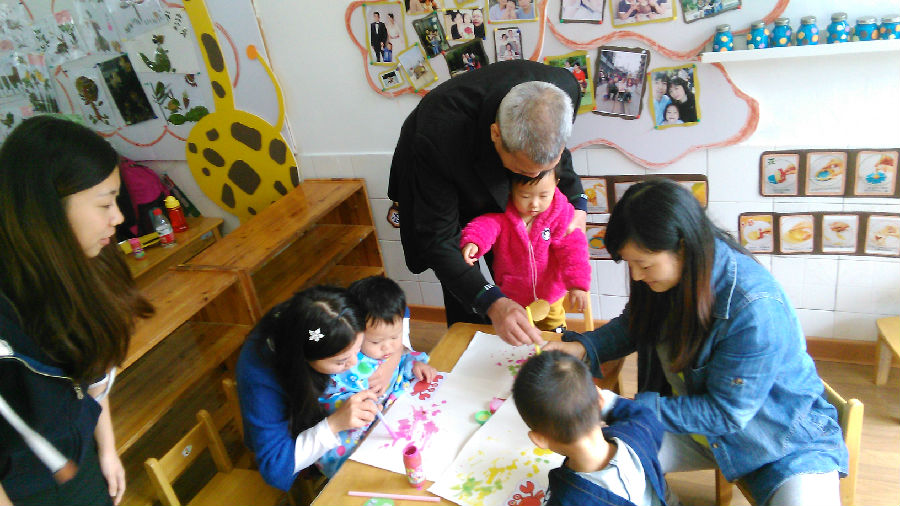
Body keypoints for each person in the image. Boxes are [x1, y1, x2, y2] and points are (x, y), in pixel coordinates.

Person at [545, 179, 848, 506]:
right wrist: (583, 347)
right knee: (598, 464)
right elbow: (635, 325)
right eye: (630, 264)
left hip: (781, 442)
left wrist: (619, 406)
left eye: (643, 265)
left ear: (683, 247)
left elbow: (725, 413)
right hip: (697, 427)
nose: (636, 276)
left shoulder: (753, 307)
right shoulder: (670, 276)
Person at [0, 116, 154, 505]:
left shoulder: (90, 266)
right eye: (104, 203)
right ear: (46, 210)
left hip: (78, 458)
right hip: (21, 486)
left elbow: (94, 372)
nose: (118, 217)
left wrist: (108, 448)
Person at [388, 60, 586, 347]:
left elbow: (555, 155)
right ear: (496, 134)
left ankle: (514, 333)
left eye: (542, 172)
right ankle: (471, 345)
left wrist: (578, 204)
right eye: (523, 171)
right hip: (444, 158)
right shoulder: (438, 133)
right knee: (467, 275)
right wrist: (491, 301)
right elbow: (440, 239)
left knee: (513, 253)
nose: (534, 179)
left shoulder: (564, 88)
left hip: (497, 147)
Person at [235, 286, 380, 491]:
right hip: (290, 437)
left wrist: (390, 363)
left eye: (359, 348)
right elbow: (275, 468)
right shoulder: (260, 381)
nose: (355, 363)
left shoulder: (333, 313)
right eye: (341, 361)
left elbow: (396, 309)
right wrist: (334, 424)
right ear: (304, 359)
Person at [316, 276, 437, 477]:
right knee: (361, 471)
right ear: (354, 331)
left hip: (395, 412)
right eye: (375, 342)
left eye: (395, 336)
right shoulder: (346, 360)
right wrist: (351, 402)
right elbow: (326, 397)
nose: (388, 347)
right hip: (357, 430)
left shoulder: (390, 348)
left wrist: (416, 365)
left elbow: (403, 357)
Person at [513, 351, 668, 506]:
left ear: (539, 439)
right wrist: (608, 404)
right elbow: (643, 414)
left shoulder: (565, 499)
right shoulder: (640, 428)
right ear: (600, 399)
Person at [460, 167, 590, 332]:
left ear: (556, 184)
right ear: (511, 189)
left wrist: (578, 283)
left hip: (550, 297)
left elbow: (574, 251)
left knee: (552, 331)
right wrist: (474, 241)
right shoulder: (502, 213)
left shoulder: (561, 215)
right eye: (525, 196)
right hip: (513, 295)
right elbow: (486, 225)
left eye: (543, 196)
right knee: (517, 332)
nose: (534, 204)